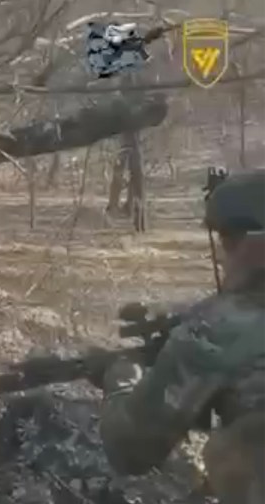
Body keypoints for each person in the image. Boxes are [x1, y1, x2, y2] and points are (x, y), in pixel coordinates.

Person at [98, 169, 265, 504]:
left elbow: (131, 450)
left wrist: (120, 380)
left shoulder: (219, 329)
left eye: (227, 242)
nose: (221, 256)